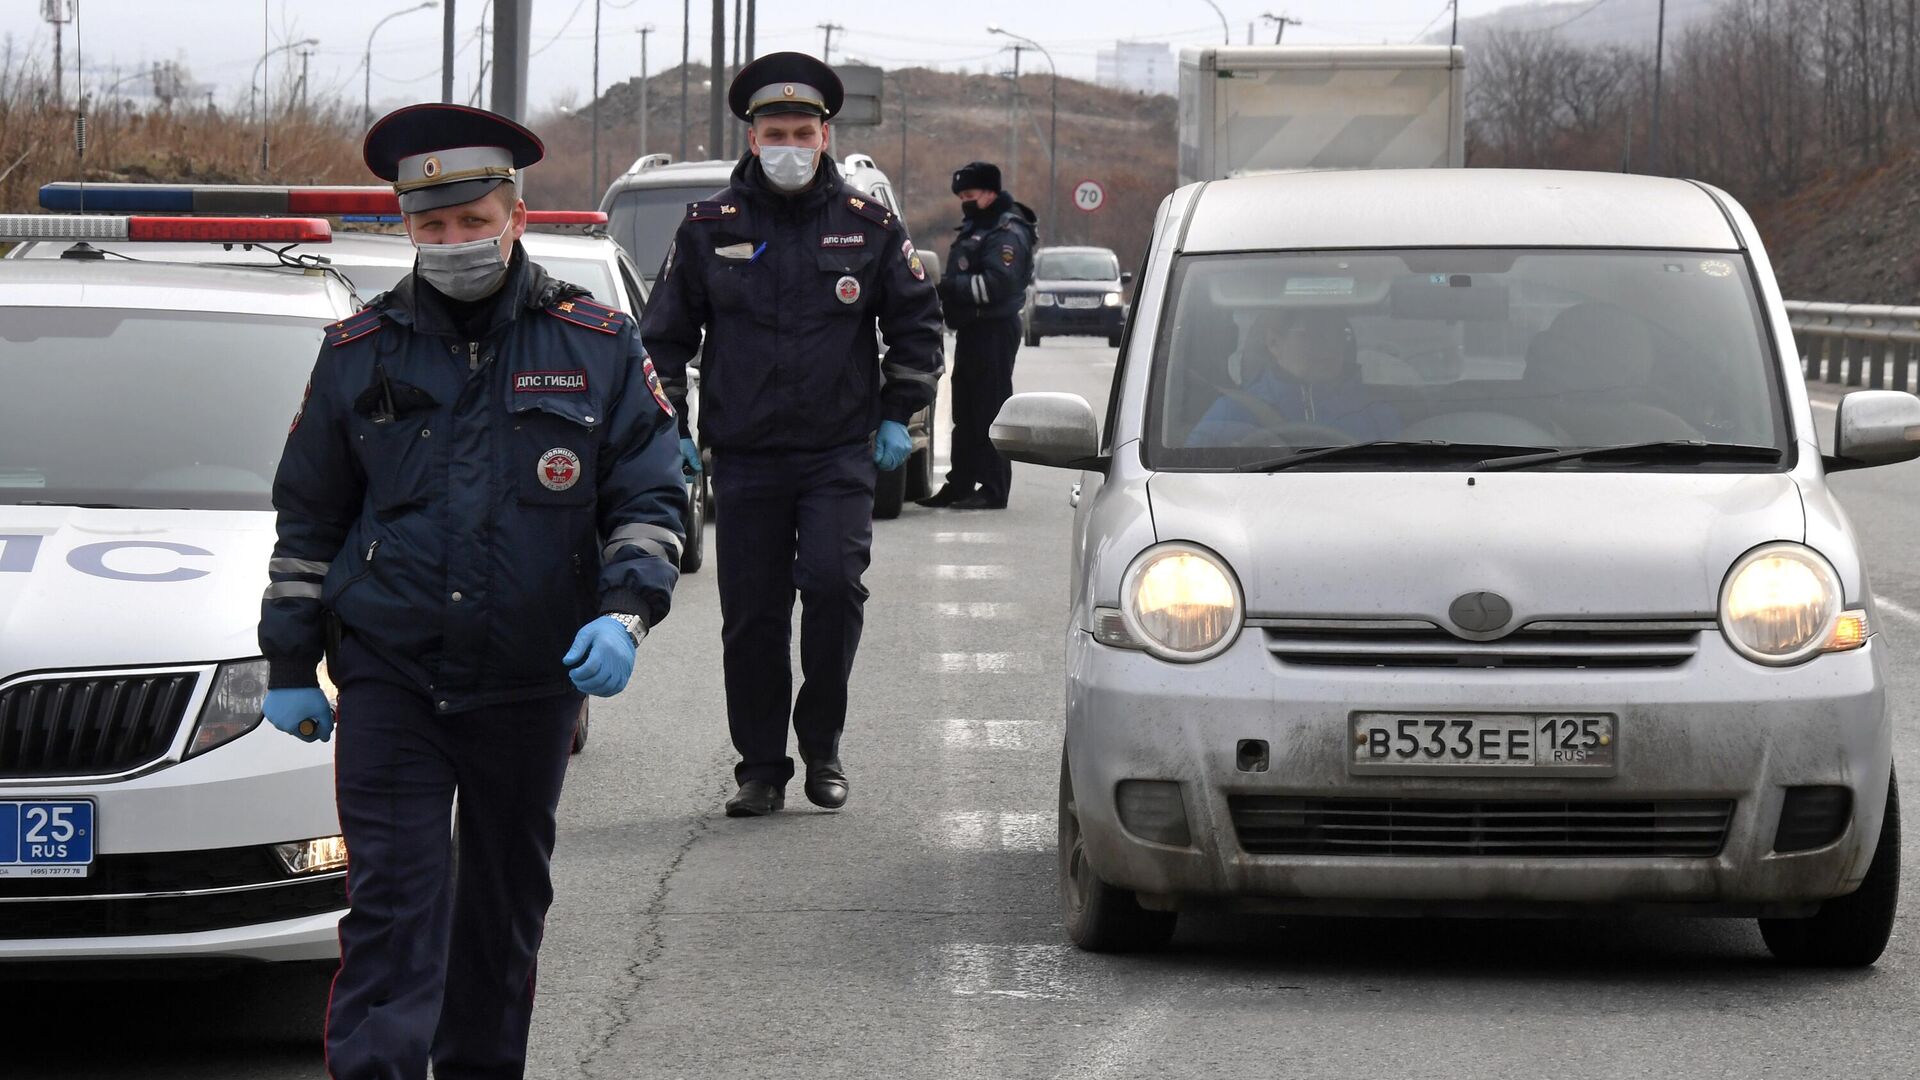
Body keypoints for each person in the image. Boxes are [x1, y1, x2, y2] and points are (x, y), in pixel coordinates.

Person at [256, 103, 686, 1080]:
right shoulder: (358, 353)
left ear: (515, 217)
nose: (452, 242)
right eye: (431, 225)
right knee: (393, 914)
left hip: (531, 684)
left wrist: (626, 610)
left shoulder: (598, 346)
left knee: (499, 921)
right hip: (391, 678)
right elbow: (310, 520)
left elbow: (651, 498)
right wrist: (289, 657)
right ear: (406, 227)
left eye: (472, 221)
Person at [638, 52, 945, 817]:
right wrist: (669, 425)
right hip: (744, 456)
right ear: (752, 138)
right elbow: (663, 339)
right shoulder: (710, 228)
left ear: (824, 135)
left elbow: (917, 326)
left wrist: (898, 417)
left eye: (802, 131)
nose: (789, 144)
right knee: (752, 613)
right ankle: (762, 766)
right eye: (775, 131)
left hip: (839, 451)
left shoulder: (868, 226)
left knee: (835, 591)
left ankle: (823, 744)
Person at [919, 162, 1036, 510]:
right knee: (966, 412)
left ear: (990, 193)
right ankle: (961, 483)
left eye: (970, 195)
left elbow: (1000, 283)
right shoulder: (978, 226)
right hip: (973, 330)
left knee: (989, 410)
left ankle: (993, 487)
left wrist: (949, 288)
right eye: (961, 197)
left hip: (994, 330)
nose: (965, 202)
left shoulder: (1007, 231)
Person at [1187, 308, 1400, 446]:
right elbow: (1189, 481)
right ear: (1273, 343)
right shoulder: (1231, 412)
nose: (1330, 345)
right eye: (1312, 333)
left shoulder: (1377, 415)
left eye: (1338, 334)